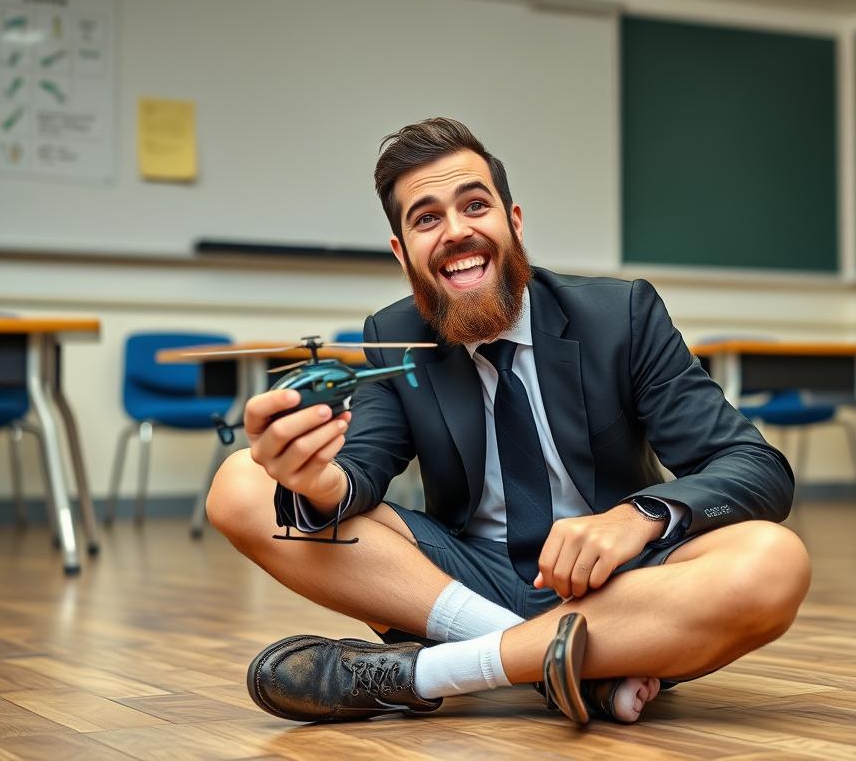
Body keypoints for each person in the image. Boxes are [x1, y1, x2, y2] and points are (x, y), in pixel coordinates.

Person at [207, 117, 809, 726]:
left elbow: (755, 466)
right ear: (403, 253)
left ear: (513, 221)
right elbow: (359, 471)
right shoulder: (392, 335)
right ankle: (563, 663)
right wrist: (315, 480)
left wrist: (636, 517)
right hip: (462, 584)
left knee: (773, 561)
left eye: (475, 205)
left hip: (619, 586)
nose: (457, 231)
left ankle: (423, 674)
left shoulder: (620, 315)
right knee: (244, 483)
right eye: (426, 218)